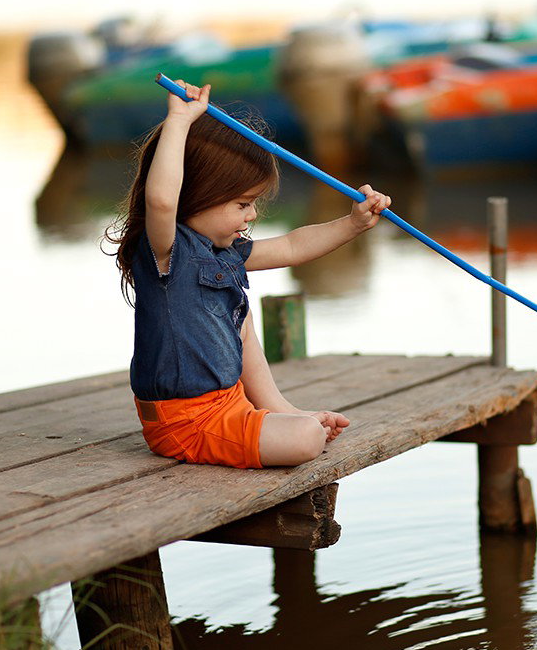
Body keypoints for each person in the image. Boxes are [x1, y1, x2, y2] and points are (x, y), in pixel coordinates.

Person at [105, 80, 391, 469]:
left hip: (229, 404)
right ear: (197, 194)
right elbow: (160, 199)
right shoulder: (167, 252)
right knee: (306, 438)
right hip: (186, 422)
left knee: (238, 312)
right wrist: (178, 120)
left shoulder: (224, 252)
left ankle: (276, 409)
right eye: (242, 204)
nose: (252, 215)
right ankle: (284, 422)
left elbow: (291, 247)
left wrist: (352, 224)